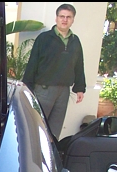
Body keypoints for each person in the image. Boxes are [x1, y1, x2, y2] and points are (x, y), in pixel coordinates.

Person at [23, 4, 86, 138]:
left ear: (73, 20)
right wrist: (27, 88)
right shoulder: (44, 38)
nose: (65, 19)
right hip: (44, 90)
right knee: (37, 127)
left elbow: (79, 65)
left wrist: (80, 88)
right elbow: (32, 63)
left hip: (63, 92)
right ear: (56, 18)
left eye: (68, 17)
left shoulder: (75, 41)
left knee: (54, 132)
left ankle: (49, 158)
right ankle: (33, 158)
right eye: (62, 16)